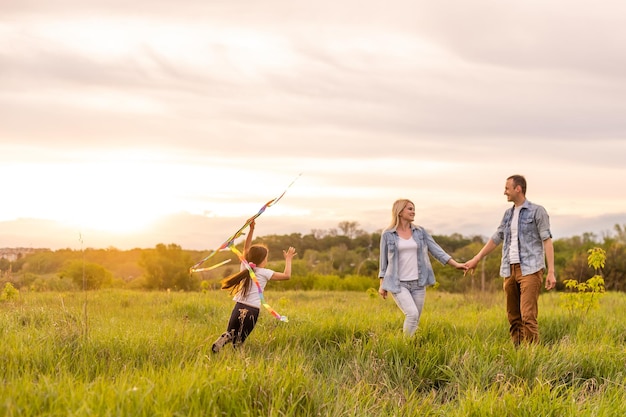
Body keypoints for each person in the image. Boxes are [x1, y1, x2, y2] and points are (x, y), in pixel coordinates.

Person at [465, 175, 556, 346]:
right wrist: (476, 258)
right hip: (509, 269)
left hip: (530, 269)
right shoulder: (508, 214)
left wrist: (551, 271)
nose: (504, 192)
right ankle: (519, 354)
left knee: (528, 316)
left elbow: (547, 240)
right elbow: (496, 238)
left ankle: (533, 357)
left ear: (518, 189)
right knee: (514, 317)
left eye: (507, 188)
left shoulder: (537, 211)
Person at [378, 199, 466, 336]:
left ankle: (409, 348)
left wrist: (456, 264)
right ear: (400, 212)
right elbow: (383, 262)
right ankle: (404, 348)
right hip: (398, 283)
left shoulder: (420, 232)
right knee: (412, 314)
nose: (413, 212)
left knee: (415, 318)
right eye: (410, 209)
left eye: (414, 209)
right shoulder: (388, 234)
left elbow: (437, 250)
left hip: (419, 283)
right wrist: (382, 284)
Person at [212, 220, 297, 353]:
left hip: (238, 306)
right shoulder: (265, 273)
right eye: (266, 258)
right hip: (252, 310)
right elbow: (287, 276)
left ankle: (226, 337)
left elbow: (246, 248)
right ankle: (237, 361)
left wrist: (251, 230)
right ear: (263, 260)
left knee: (231, 333)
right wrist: (288, 259)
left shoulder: (244, 267)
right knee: (239, 343)